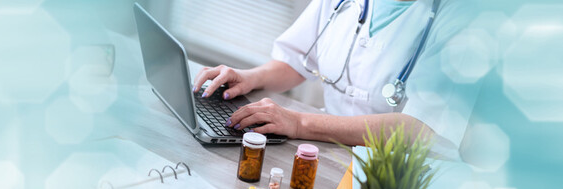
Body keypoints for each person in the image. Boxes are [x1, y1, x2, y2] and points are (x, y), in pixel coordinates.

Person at [192, 0, 478, 148]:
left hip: (398, 175)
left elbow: (419, 127)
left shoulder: (463, 18)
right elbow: (298, 59)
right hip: (328, 149)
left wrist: (300, 122)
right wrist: (252, 77)